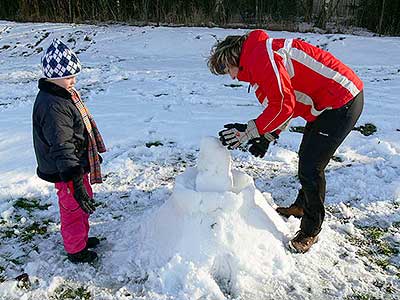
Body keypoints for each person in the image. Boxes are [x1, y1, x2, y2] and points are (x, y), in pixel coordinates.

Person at [208, 29, 364, 253]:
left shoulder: (262, 58)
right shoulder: (258, 61)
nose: (231, 76)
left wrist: (249, 132)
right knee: (308, 158)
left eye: (227, 69)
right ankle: (301, 207)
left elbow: (283, 106)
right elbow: (284, 106)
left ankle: (311, 230)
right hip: (325, 104)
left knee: (311, 167)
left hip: (341, 100)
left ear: (232, 57)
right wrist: (267, 136)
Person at [32, 39, 106, 263]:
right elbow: (62, 145)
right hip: (66, 168)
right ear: (51, 77)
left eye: (74, 75)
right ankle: (76, 250)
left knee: (83, 203)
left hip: (74, 163)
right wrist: (74, 180)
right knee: (73, 207)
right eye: (68, 77)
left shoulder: (63, 96)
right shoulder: (54, 106)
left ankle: (80, 239)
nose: (73, 81)